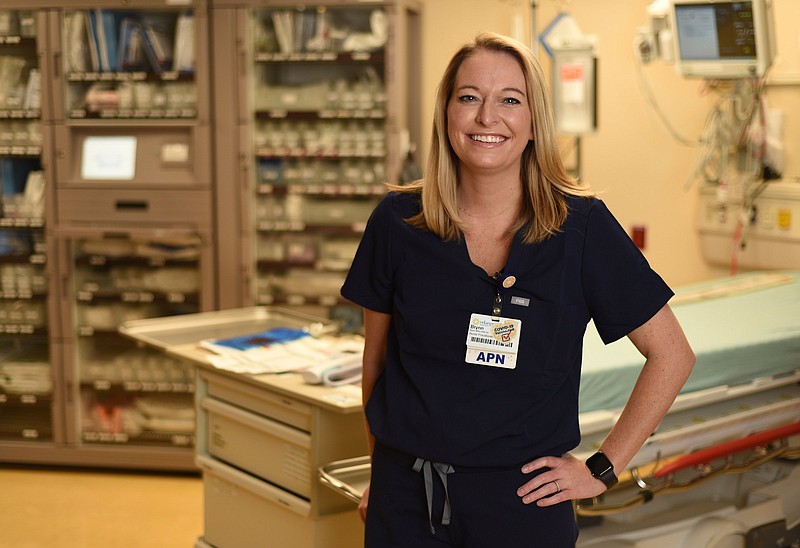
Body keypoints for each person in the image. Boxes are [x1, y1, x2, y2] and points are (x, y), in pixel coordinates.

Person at [340, 31, 695, 547]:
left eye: (510, 100)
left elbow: (672, 355)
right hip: (405, 499)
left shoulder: (582, 228)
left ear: (534, 122)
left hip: (523, 508)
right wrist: (382, 474)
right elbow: (376, 366)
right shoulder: (399, 222)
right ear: (446, 114)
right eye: (469, 98)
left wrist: (601, 467)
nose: (488, 117)